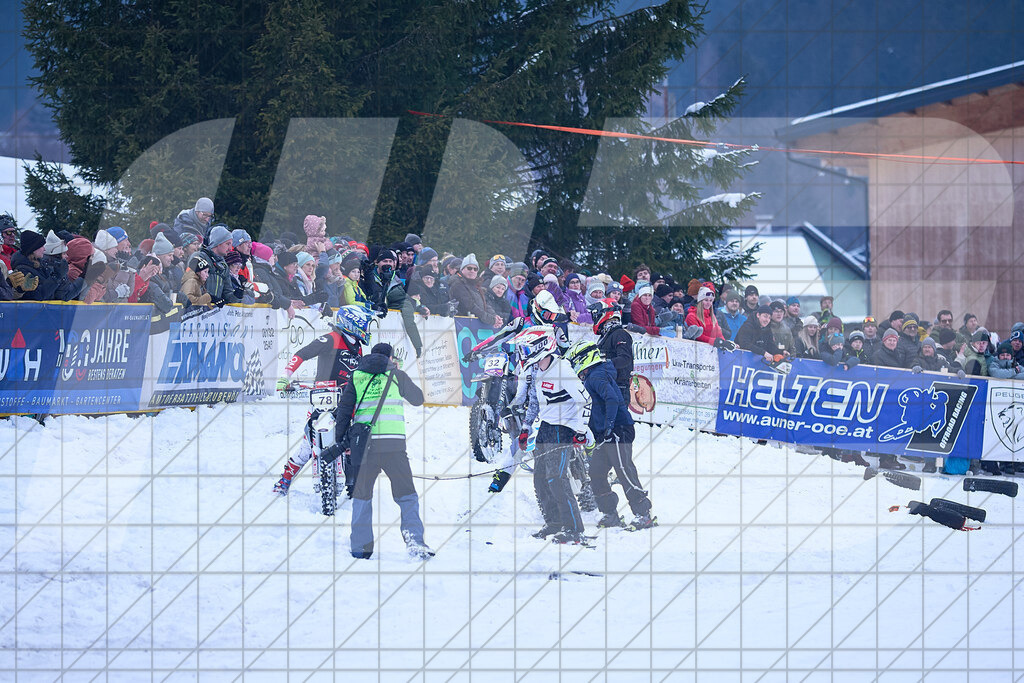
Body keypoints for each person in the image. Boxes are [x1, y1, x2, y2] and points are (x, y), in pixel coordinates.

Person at [332, 342, 432, 560]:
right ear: (390, 358)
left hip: (364, 447)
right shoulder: (397, 375)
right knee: (407, 495)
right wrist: (397, 371)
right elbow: (418, 399)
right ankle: (415, 541)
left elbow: (344, 410)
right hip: (394, 447)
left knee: (362, 497)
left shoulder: (357, 376)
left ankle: (360, 548)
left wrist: (341, 440)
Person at [273, 306, 372, 495]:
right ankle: (285, 479)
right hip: (323, 398)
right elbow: (303, 353)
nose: (366, 330)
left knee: (352, 439)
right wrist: (286, 376)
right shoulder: (331, 338)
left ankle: (353, 484)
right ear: (352, 323)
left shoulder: (357, 346)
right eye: (363, 325)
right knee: (308, 443)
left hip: (346, 401)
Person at [513, 326, 593, 545]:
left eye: (527, 347)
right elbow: (536, 403)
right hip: (546, 427)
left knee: (556, 478)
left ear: (540, 347)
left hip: (564, 429)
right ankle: (555, 522)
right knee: (540, 478)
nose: (524, 352)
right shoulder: (537, 370)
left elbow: (585, 400)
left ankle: (575, 529)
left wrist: (580, 430)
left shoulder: (562, 370)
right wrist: (526, 427)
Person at [567, 341, 655, 531]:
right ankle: (610, 513)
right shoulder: (592, 376)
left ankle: (643, 514)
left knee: (624, 469)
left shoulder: (597, 375)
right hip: (604, 434)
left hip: (618, 430)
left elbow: (612, 399)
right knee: (597, 472)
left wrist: (609, 427)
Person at [449, 253, 502, 328]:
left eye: (475, 269)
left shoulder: (476, 284)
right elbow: (470, 306)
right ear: (462, 269)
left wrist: (495, 316)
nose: (472, 271)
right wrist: (491, 319)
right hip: (461, 325)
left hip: (474, 325)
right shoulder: (457, 284)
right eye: (469, 268)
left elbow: (484, 304)